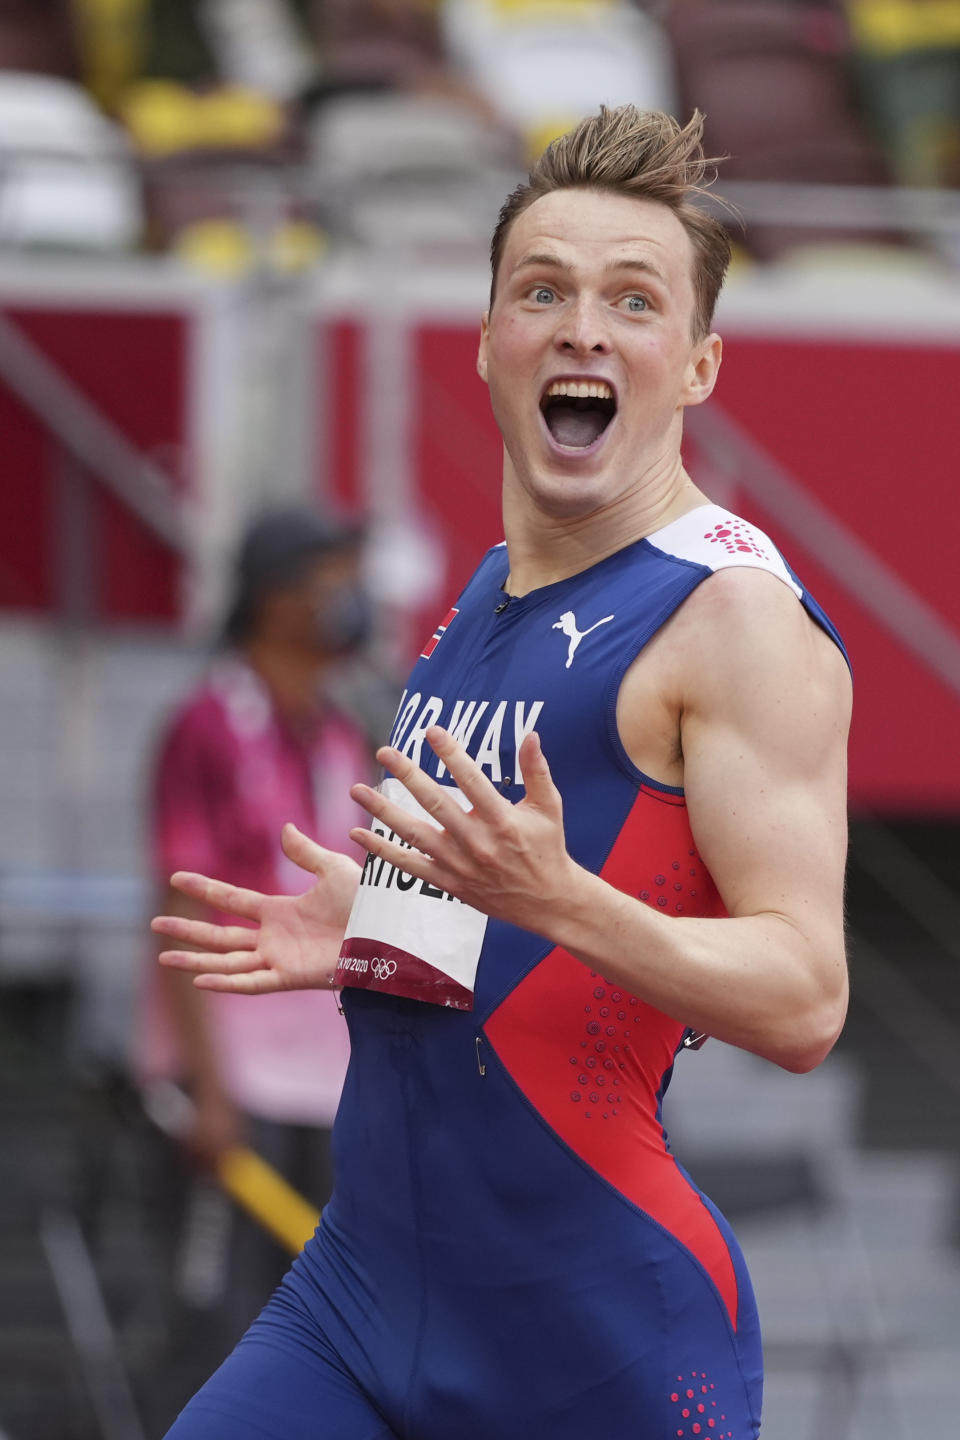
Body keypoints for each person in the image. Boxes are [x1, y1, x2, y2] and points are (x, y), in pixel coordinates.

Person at [152, 107, 852, 1439]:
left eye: (631, 300)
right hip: (360, 1300)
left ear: (696, 364)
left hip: (589, 1344)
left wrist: (565, 901)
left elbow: (806, 998)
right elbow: (495, 919)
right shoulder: (486, 595)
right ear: (488, 342)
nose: (582, 326)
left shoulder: (737, 619)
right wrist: (369, 925)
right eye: (544, 290)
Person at [138, 505, 373, 1419]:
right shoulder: (207, 723)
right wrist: (208, 1085)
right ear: (276, 599)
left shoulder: (344, 731)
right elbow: (178, 904)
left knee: (324, 1338)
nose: (349, 599)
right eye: (330, 578)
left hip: (328, 1089)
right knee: (220, 1334)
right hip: (234, 1089)